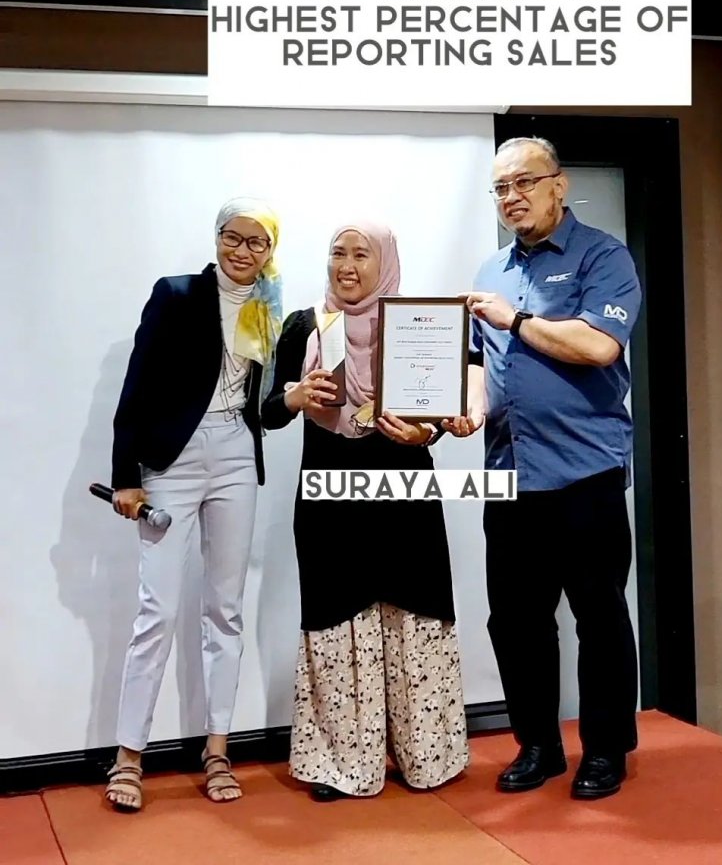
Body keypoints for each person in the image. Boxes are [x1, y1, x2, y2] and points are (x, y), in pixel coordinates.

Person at [450, 136, 642, 801]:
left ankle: (605, 750)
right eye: (501, 188)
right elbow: (478, 364)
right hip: (508, 473)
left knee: (598, 616)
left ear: (558, 185)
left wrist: (517, 319)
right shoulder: (492, 270)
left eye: (524, 182)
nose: (512, 197)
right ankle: (538, 745)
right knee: (515, 621)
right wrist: (467, 410)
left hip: (585, 471)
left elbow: (597, 344)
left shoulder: (602, 257)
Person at [261, 219, 470, 802]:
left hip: (405, 496)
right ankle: (342, 764)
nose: (347, 266)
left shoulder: (417, 325)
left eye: (361, 255)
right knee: (337, 618)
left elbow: (443, 412)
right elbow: (268, 411)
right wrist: (294, 397)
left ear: (385, 263)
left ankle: (426, 756)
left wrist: (429, 430)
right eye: (338, 253)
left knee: (415, 613)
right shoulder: (306, 324)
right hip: (330, 502)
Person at [104, 197, 283, 812]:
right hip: (172, 458)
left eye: (257, 242)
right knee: (157, 610)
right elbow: (137, 384)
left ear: (270, 250)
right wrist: (125, 476)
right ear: (217, 238)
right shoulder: (176, 294)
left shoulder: (270, 305)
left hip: (236, 453)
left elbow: (265, 400)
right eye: (233, 237)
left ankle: (218, 749)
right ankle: (129, 755)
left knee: (225, 609)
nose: (243, 250)